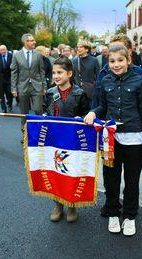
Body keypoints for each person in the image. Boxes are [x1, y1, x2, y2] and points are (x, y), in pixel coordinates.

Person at [84, 44, 142, 236]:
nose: (116, 65)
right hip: (110, 139)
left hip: (134, 138)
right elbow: (101, 106)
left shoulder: (139, 80)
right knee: (111, 178)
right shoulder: (105, 81)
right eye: (112, 61)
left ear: (128, 60)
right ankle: (113, 212)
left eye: (120, 60)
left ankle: (130, 216)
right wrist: (92, 112)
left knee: (132, 179)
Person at [43, 57, 90, 223]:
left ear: (69, 73)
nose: (56, 75)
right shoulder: (49, 93)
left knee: (71, 171)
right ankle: (58, 204)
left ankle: (71, 204)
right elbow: (44, 112)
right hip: (54, 140)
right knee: (55, 171)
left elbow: (87, 113)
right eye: (54, 72)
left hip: (73, 141)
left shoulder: (80, 93)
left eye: (60, 72)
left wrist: (82, 118)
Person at [11, 33, 46, 140]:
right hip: (22, 87)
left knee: (38, 109)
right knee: (24, 113)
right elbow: (14, 72)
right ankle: (25, 135)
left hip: (37, 86)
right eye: (32, 40)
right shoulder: (16, 55)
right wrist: (13, 88)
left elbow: (42, 71)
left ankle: (41, 134)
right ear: (26, 42)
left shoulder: (38, 55)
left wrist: (44, 85)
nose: (34, 42)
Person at [72, 39, 100, 105]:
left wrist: (95, 88)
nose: (78, 49)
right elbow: (72, 75)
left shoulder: (94, 60)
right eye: (78, 47)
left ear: (87, 49)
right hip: (76, 90)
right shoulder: (74, 60)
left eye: (81, 47)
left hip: (90, 91)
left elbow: (98, 76)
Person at [0, 44, 13, 113]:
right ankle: (3, 108)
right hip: (0, 79)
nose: (2, 51)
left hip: (9, 78)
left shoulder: (11, 56)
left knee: (9, 93)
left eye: (3, 50)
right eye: (1, 50)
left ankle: (9, 104)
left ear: (6, 49)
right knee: (1, 95)